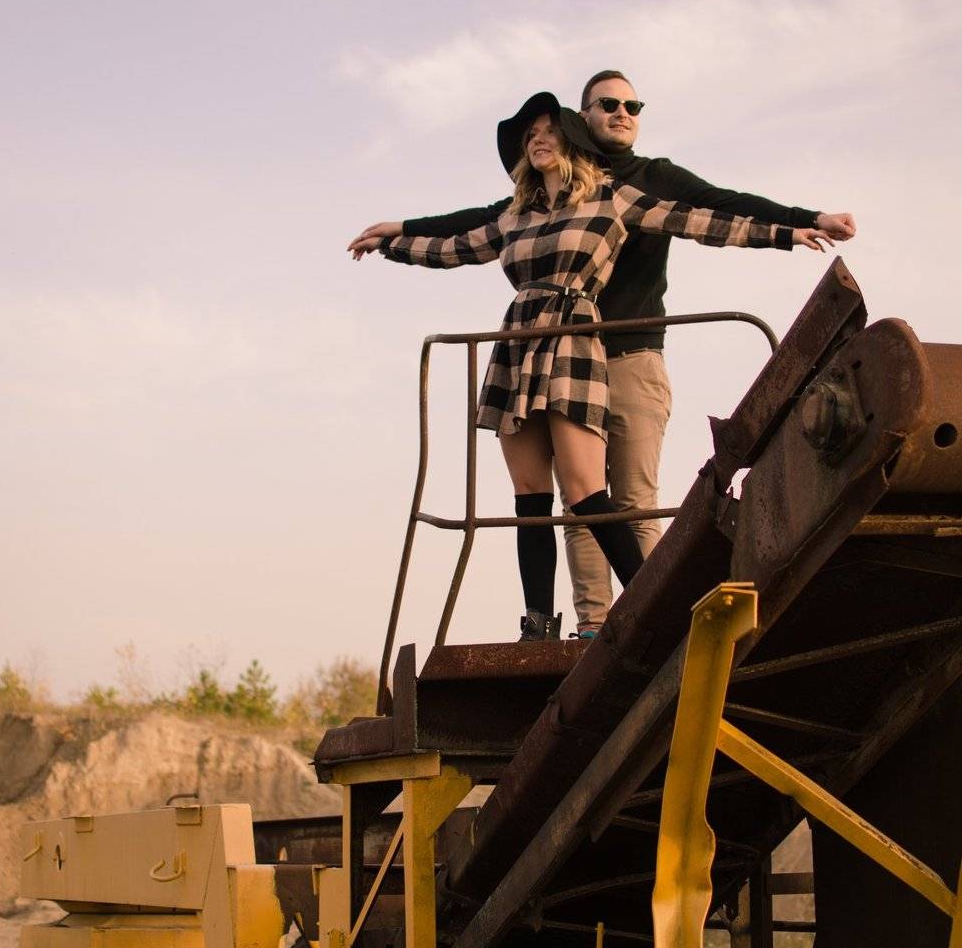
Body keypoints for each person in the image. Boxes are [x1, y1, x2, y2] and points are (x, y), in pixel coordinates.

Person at [349, 68, 856, 636]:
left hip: (577, 342)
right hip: (518, 348)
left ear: (572, 139)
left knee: (588, 491)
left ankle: (654, 607)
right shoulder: (515, 214)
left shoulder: (614, 197)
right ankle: (539, 622)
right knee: (530, 497)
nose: (539, 139)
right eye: (530, 134)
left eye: (550, 131)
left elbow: (702, 218)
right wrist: (391, 243)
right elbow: (456, 244)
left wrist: (789, 231)